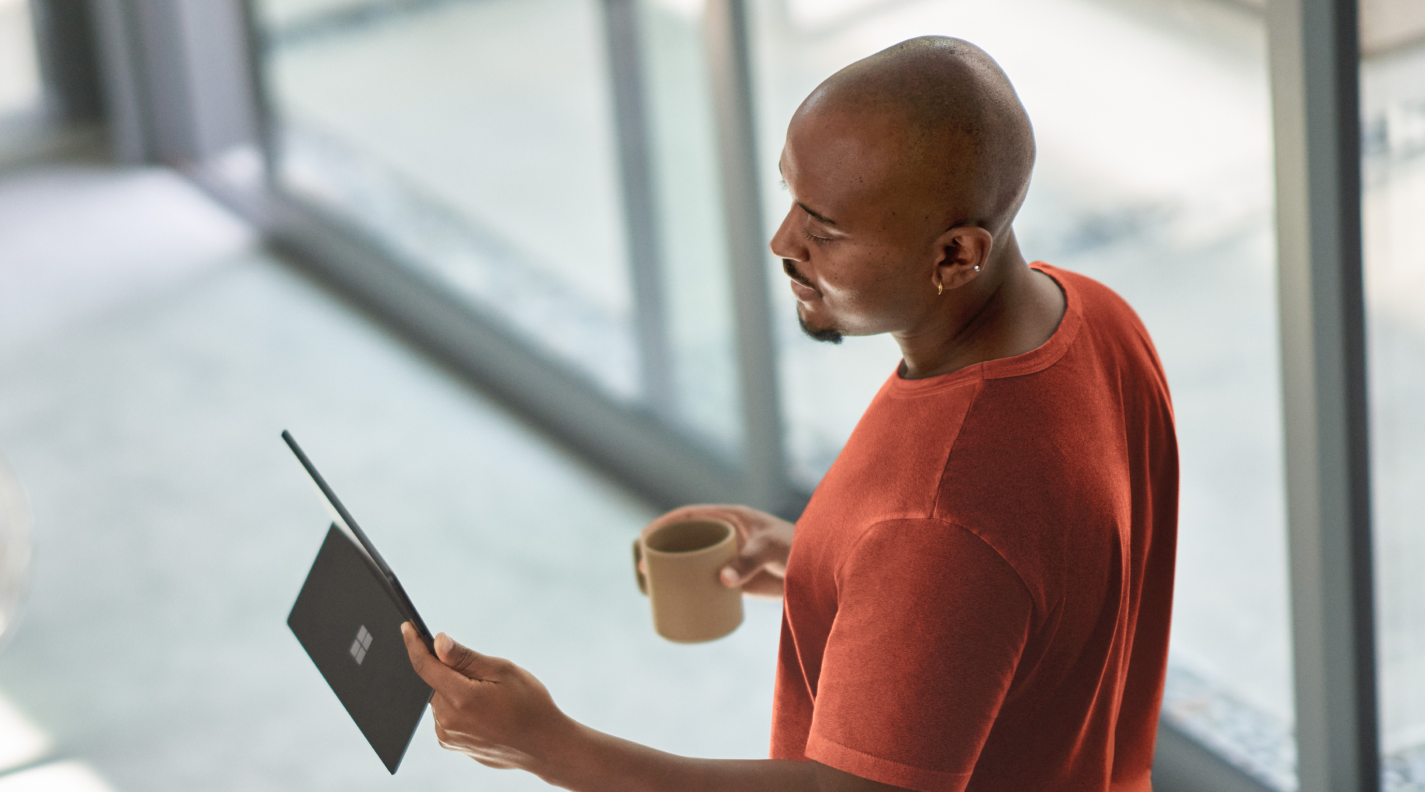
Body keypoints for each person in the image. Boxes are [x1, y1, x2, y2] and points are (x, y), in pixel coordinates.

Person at [399, 35, 1178, 792]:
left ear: (955, 256)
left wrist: (554, 749)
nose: (783, 241)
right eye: (792, 198)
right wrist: (824, 562)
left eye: (825, 230)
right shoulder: (1096, 319)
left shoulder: (934, 529)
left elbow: (946, 550)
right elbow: (1025, 577)